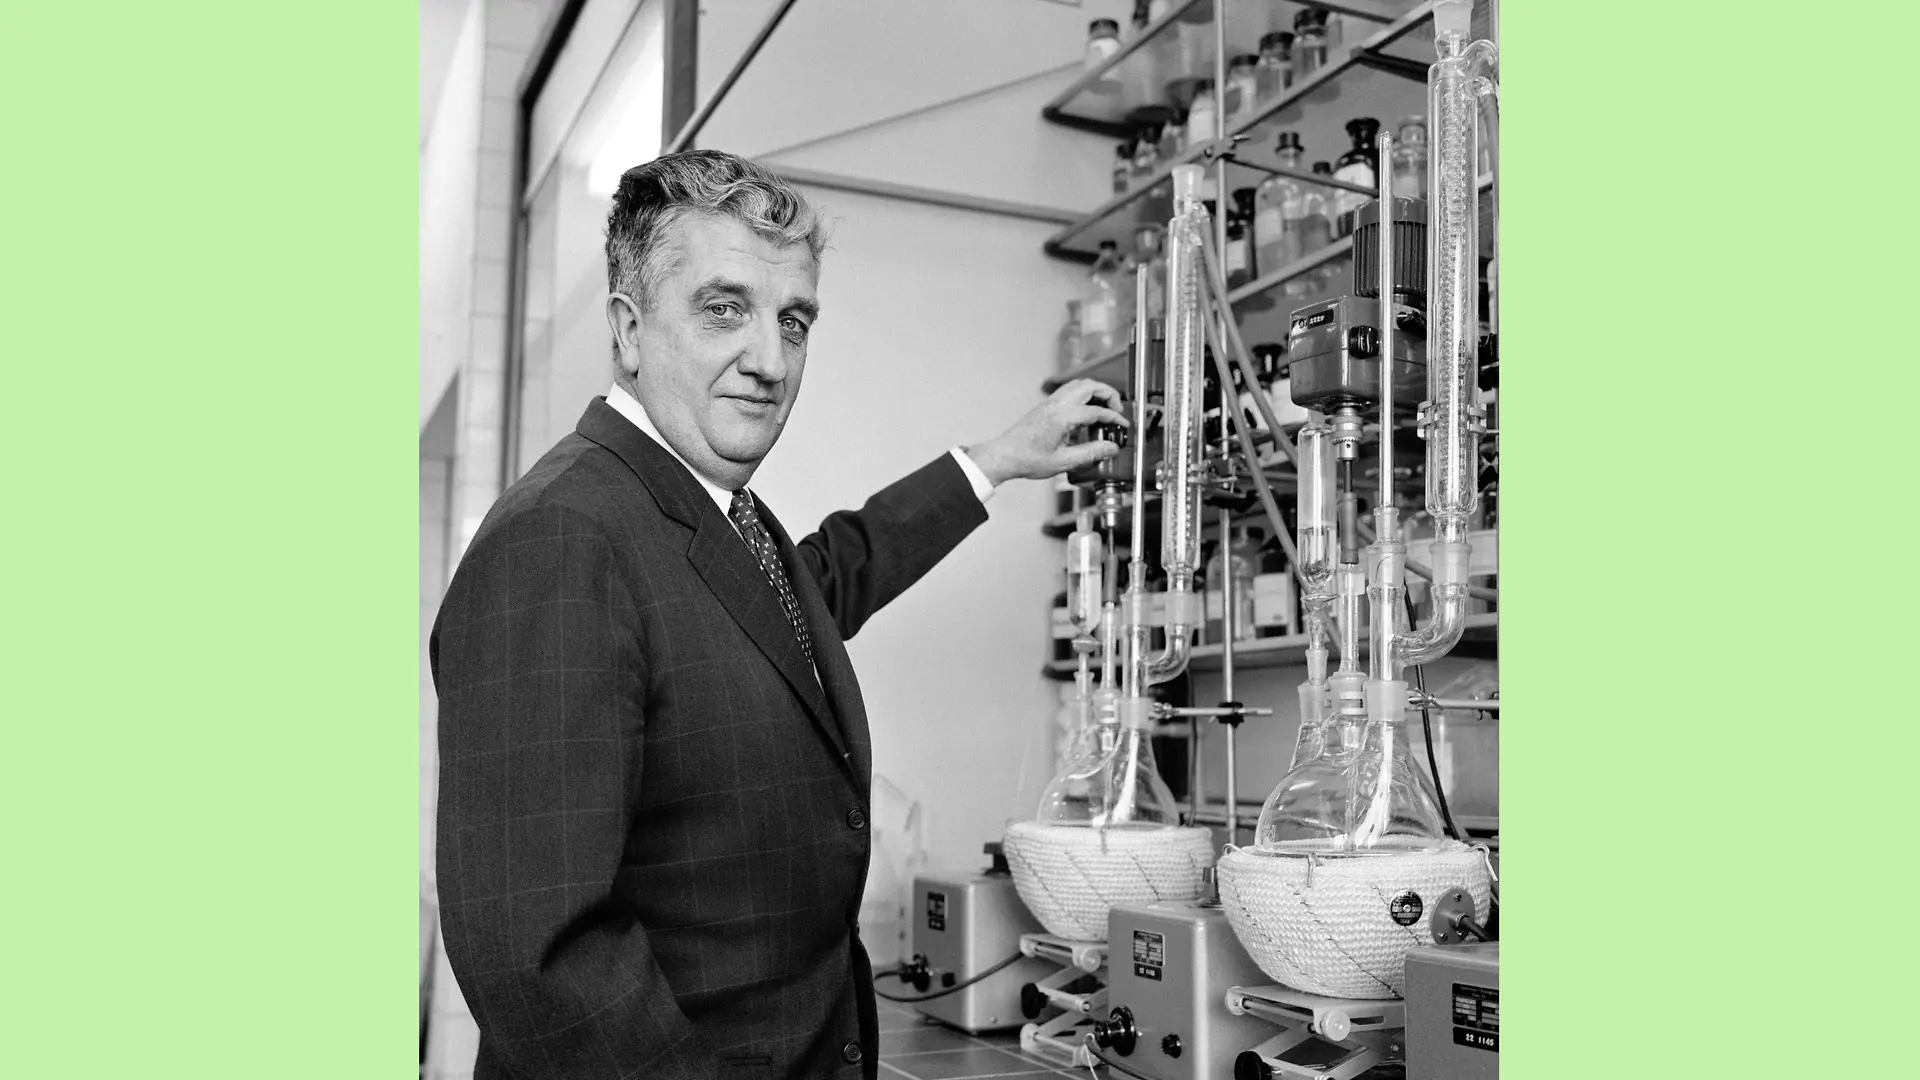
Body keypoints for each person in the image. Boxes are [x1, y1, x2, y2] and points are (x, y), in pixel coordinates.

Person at [432, 149, 1126, 1080]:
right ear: (629, 330)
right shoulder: (563, 536)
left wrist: (996, 459)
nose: (769, 361)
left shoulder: (712, 515)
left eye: (792, 321)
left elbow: (818, 588)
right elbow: (541, 954)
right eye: (724, 309)